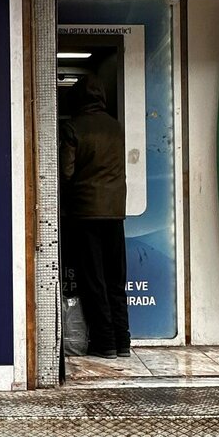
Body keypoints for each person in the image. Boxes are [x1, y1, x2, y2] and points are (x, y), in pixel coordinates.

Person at [59, 73, 131, 360]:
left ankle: (104, 342)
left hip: (85, 213)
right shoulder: (116, 127)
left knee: (94, 279)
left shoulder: (73, 128)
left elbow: (65, 173)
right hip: (115, 214)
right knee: (115, 278)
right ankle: (123, 340)